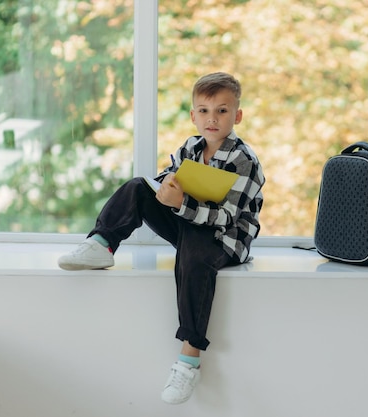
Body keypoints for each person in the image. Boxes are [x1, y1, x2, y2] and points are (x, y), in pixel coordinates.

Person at [57, 72, 265, 404]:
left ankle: (189, 359)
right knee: (139, 187)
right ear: (193, 115)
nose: (212, 118)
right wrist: (167, 189)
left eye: (222, 111)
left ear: (237, 115)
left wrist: (181, 203)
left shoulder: (245, 161)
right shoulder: (190, 147)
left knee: (195, 255)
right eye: (204, 110)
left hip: (225, 239)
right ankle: (101, 244)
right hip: (188, 222)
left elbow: (226, 218)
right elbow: (165, 182)